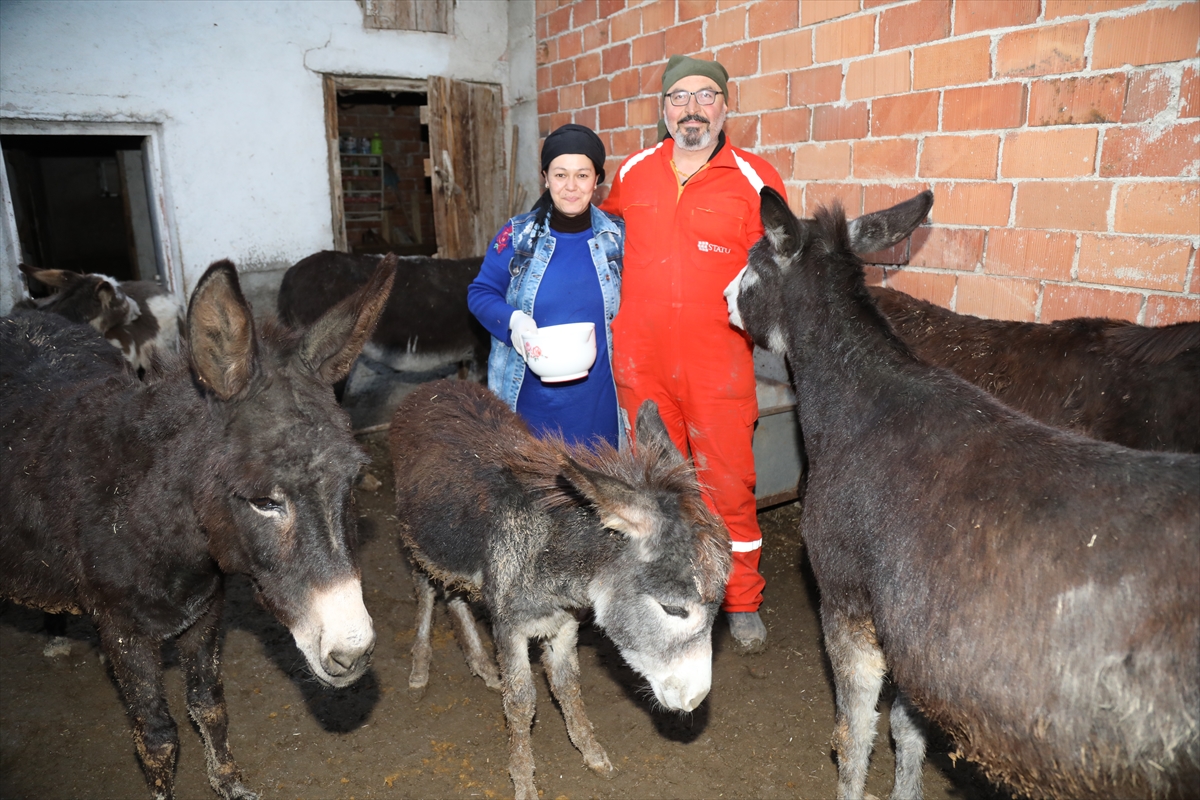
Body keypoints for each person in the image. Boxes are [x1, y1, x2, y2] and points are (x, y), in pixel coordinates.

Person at [601, 55, 788, 654]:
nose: (691, 108)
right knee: (652, 485)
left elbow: (781, 271)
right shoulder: (633, 172)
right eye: (678, 97)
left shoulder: (756, 180)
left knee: (727, 485)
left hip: (718, 365)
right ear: (663, 110)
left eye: (705, 96)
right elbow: (600, 246)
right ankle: (662, 588)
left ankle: (742, 600)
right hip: (641, 362)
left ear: (725, 106)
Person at [467, 123, 624, 449]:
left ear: (597, 180)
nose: (571, 186)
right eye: (560, 174)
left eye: (582, 175)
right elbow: (480, 293)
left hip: (600, 404)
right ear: (545, 177)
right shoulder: (518, 237)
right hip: (531, 406)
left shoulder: (617, 238)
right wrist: (514, 322)